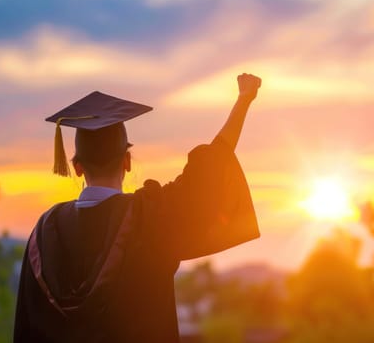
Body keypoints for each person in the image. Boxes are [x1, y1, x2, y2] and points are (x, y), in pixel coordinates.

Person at [14, 73, 262, 342]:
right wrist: (243, 101)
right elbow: (210, 171)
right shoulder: (149, 216)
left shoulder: (44, 232)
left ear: (76, 167)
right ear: (127, 161)